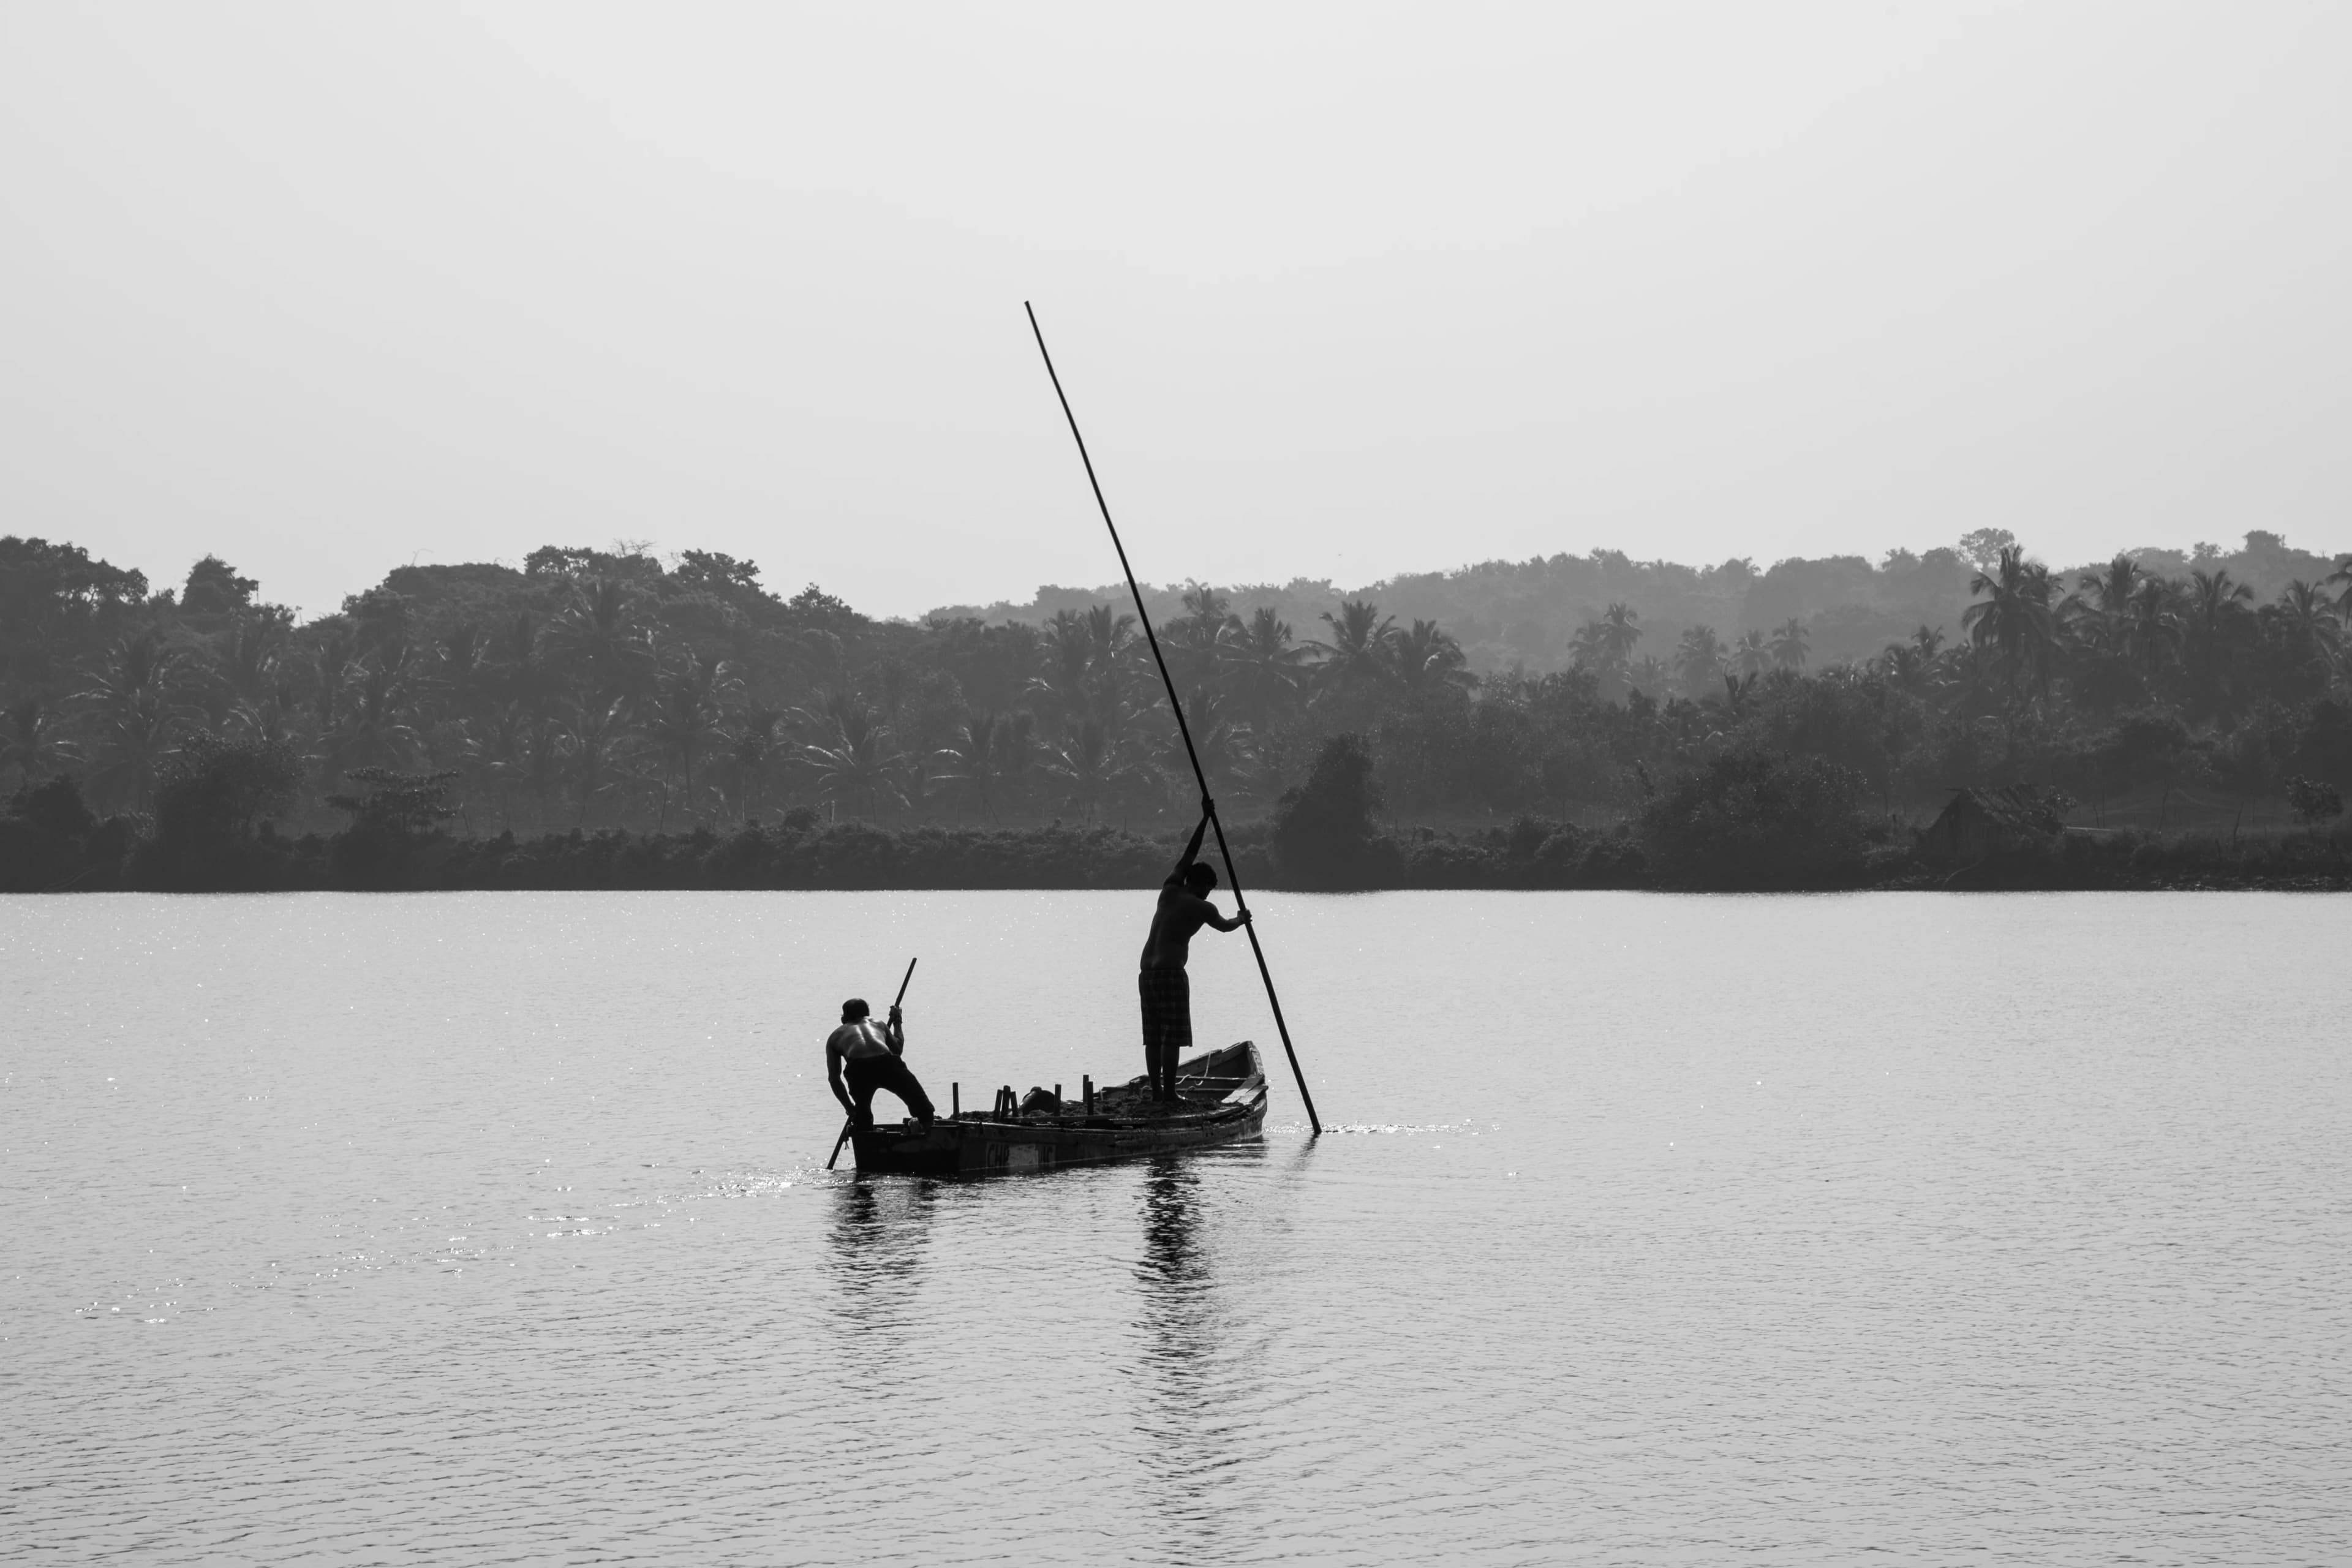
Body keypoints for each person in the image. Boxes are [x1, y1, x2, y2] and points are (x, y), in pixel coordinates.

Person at [1138, 799, 1251, 1103]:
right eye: (1209, 888)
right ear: (1202, 884)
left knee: (1153, 1036)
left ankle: (1158, 1093)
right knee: (1170, 1037)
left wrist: (1205, 820)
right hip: (1171, 974)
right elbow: (1226, 926)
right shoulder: (1201, 906)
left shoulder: (1170, 887)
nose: (1208, 894)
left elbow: (1190, 852)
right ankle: (1170, 1094)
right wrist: (1242, 920)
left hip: (1146, 974)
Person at [827, 997, 936, 1131]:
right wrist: (897, 1021)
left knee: (863, 1122)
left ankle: (865, 1128)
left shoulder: (835, 1037)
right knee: (925, 1112)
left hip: (858, 1070)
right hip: (887, 1063)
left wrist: (850, 1108)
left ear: (843, 1020)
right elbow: (897, 1050)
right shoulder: (877, 1023)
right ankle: (924, 1128)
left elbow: (834, 1079)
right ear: (867, 1015)